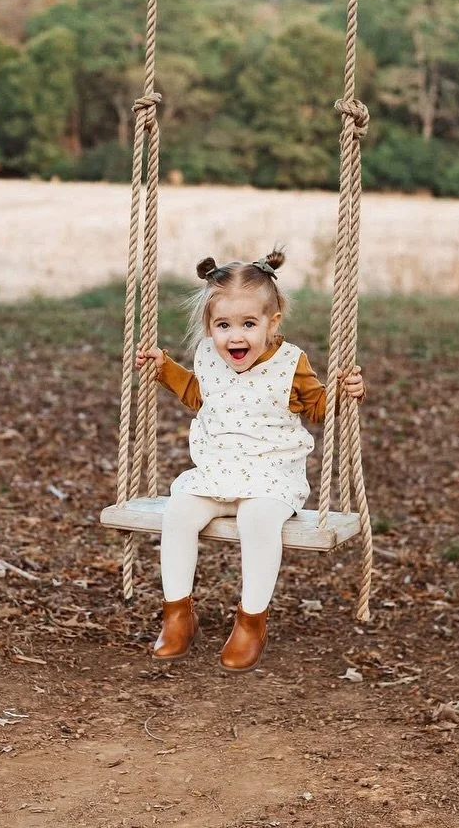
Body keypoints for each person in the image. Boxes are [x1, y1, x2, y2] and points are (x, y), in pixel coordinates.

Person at [135, 250, 365, 671]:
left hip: (272, 478)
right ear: (210, 326)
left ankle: (251, 621)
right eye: (223, 325)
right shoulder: (208, 356)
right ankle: (178, 615)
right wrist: (165, 369)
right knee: (179, 512)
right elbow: (198, 395)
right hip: (217, 472)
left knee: (257, 521)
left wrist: (343, 392)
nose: (234, 337)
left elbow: (315, 406)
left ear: (271, 323)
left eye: (248, 324)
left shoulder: (289, 364)